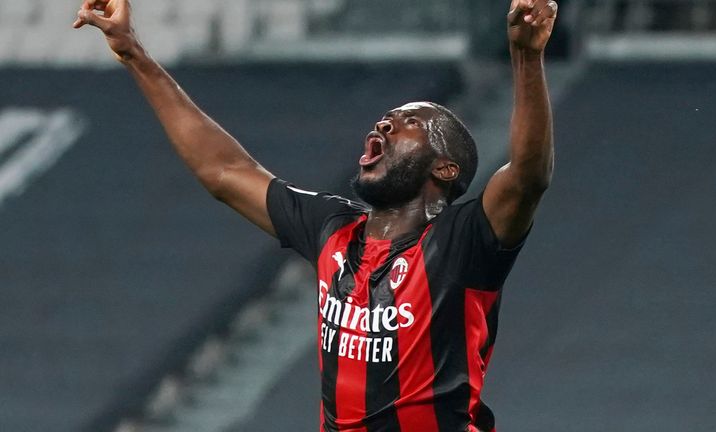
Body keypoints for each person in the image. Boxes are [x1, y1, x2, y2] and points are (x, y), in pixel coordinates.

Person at [74, 0, 557, 430]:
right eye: (387, 117)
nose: (386, 122)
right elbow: (223, 170)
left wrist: (526, 56)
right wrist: (133, 52)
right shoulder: (334, 229)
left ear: (445, 168)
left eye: (412, 123)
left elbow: (528, 176)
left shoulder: (463, 243)